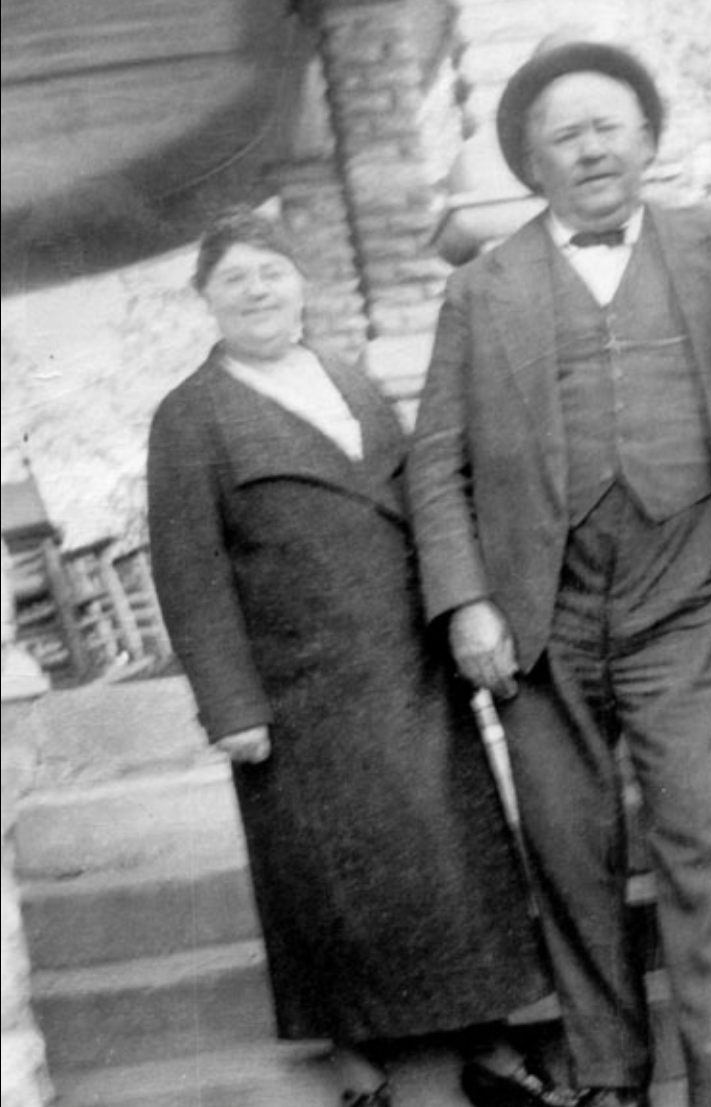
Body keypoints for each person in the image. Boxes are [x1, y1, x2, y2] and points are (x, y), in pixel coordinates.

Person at [406, 39, 711, 1107]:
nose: (589, 150)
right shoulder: (481, 292)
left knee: (702, 843)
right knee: (571, 863)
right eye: (563, 136)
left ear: (644, 140)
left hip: (679, 599)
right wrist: (465, 603)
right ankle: (610, 1084)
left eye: (607, 127)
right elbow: (434, 464)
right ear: (532, 162)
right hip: (538, 616)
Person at [147, 209, 582, 1107]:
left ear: (300, 282)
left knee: (454, 862)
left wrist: (462, 612)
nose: (258, 290)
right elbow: (188, 572)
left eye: (272, 270)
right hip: (301, 691)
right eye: (235, 279)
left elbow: (421, 497)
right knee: (341, 881)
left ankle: (484, 1040)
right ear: (206, 300)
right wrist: (231, 705)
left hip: (411, 665)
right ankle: (381, 1061)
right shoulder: (191, 416)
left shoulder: (347, 378)